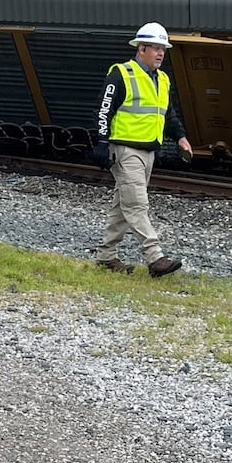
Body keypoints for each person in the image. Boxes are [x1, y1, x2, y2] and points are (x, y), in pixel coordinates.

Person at [90, 21, 192, 277]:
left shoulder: (163, 80)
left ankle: (106, 257)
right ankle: (155, 257)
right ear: (141, 48)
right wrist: (102, 142)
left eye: (163, 49)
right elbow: (104, 110)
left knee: (122, 205)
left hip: (149, 152)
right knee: (136, 205)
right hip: (125, 150)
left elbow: (167, 113)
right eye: (156, 48)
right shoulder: (121, 74)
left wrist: (180, 137)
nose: (160, 54)